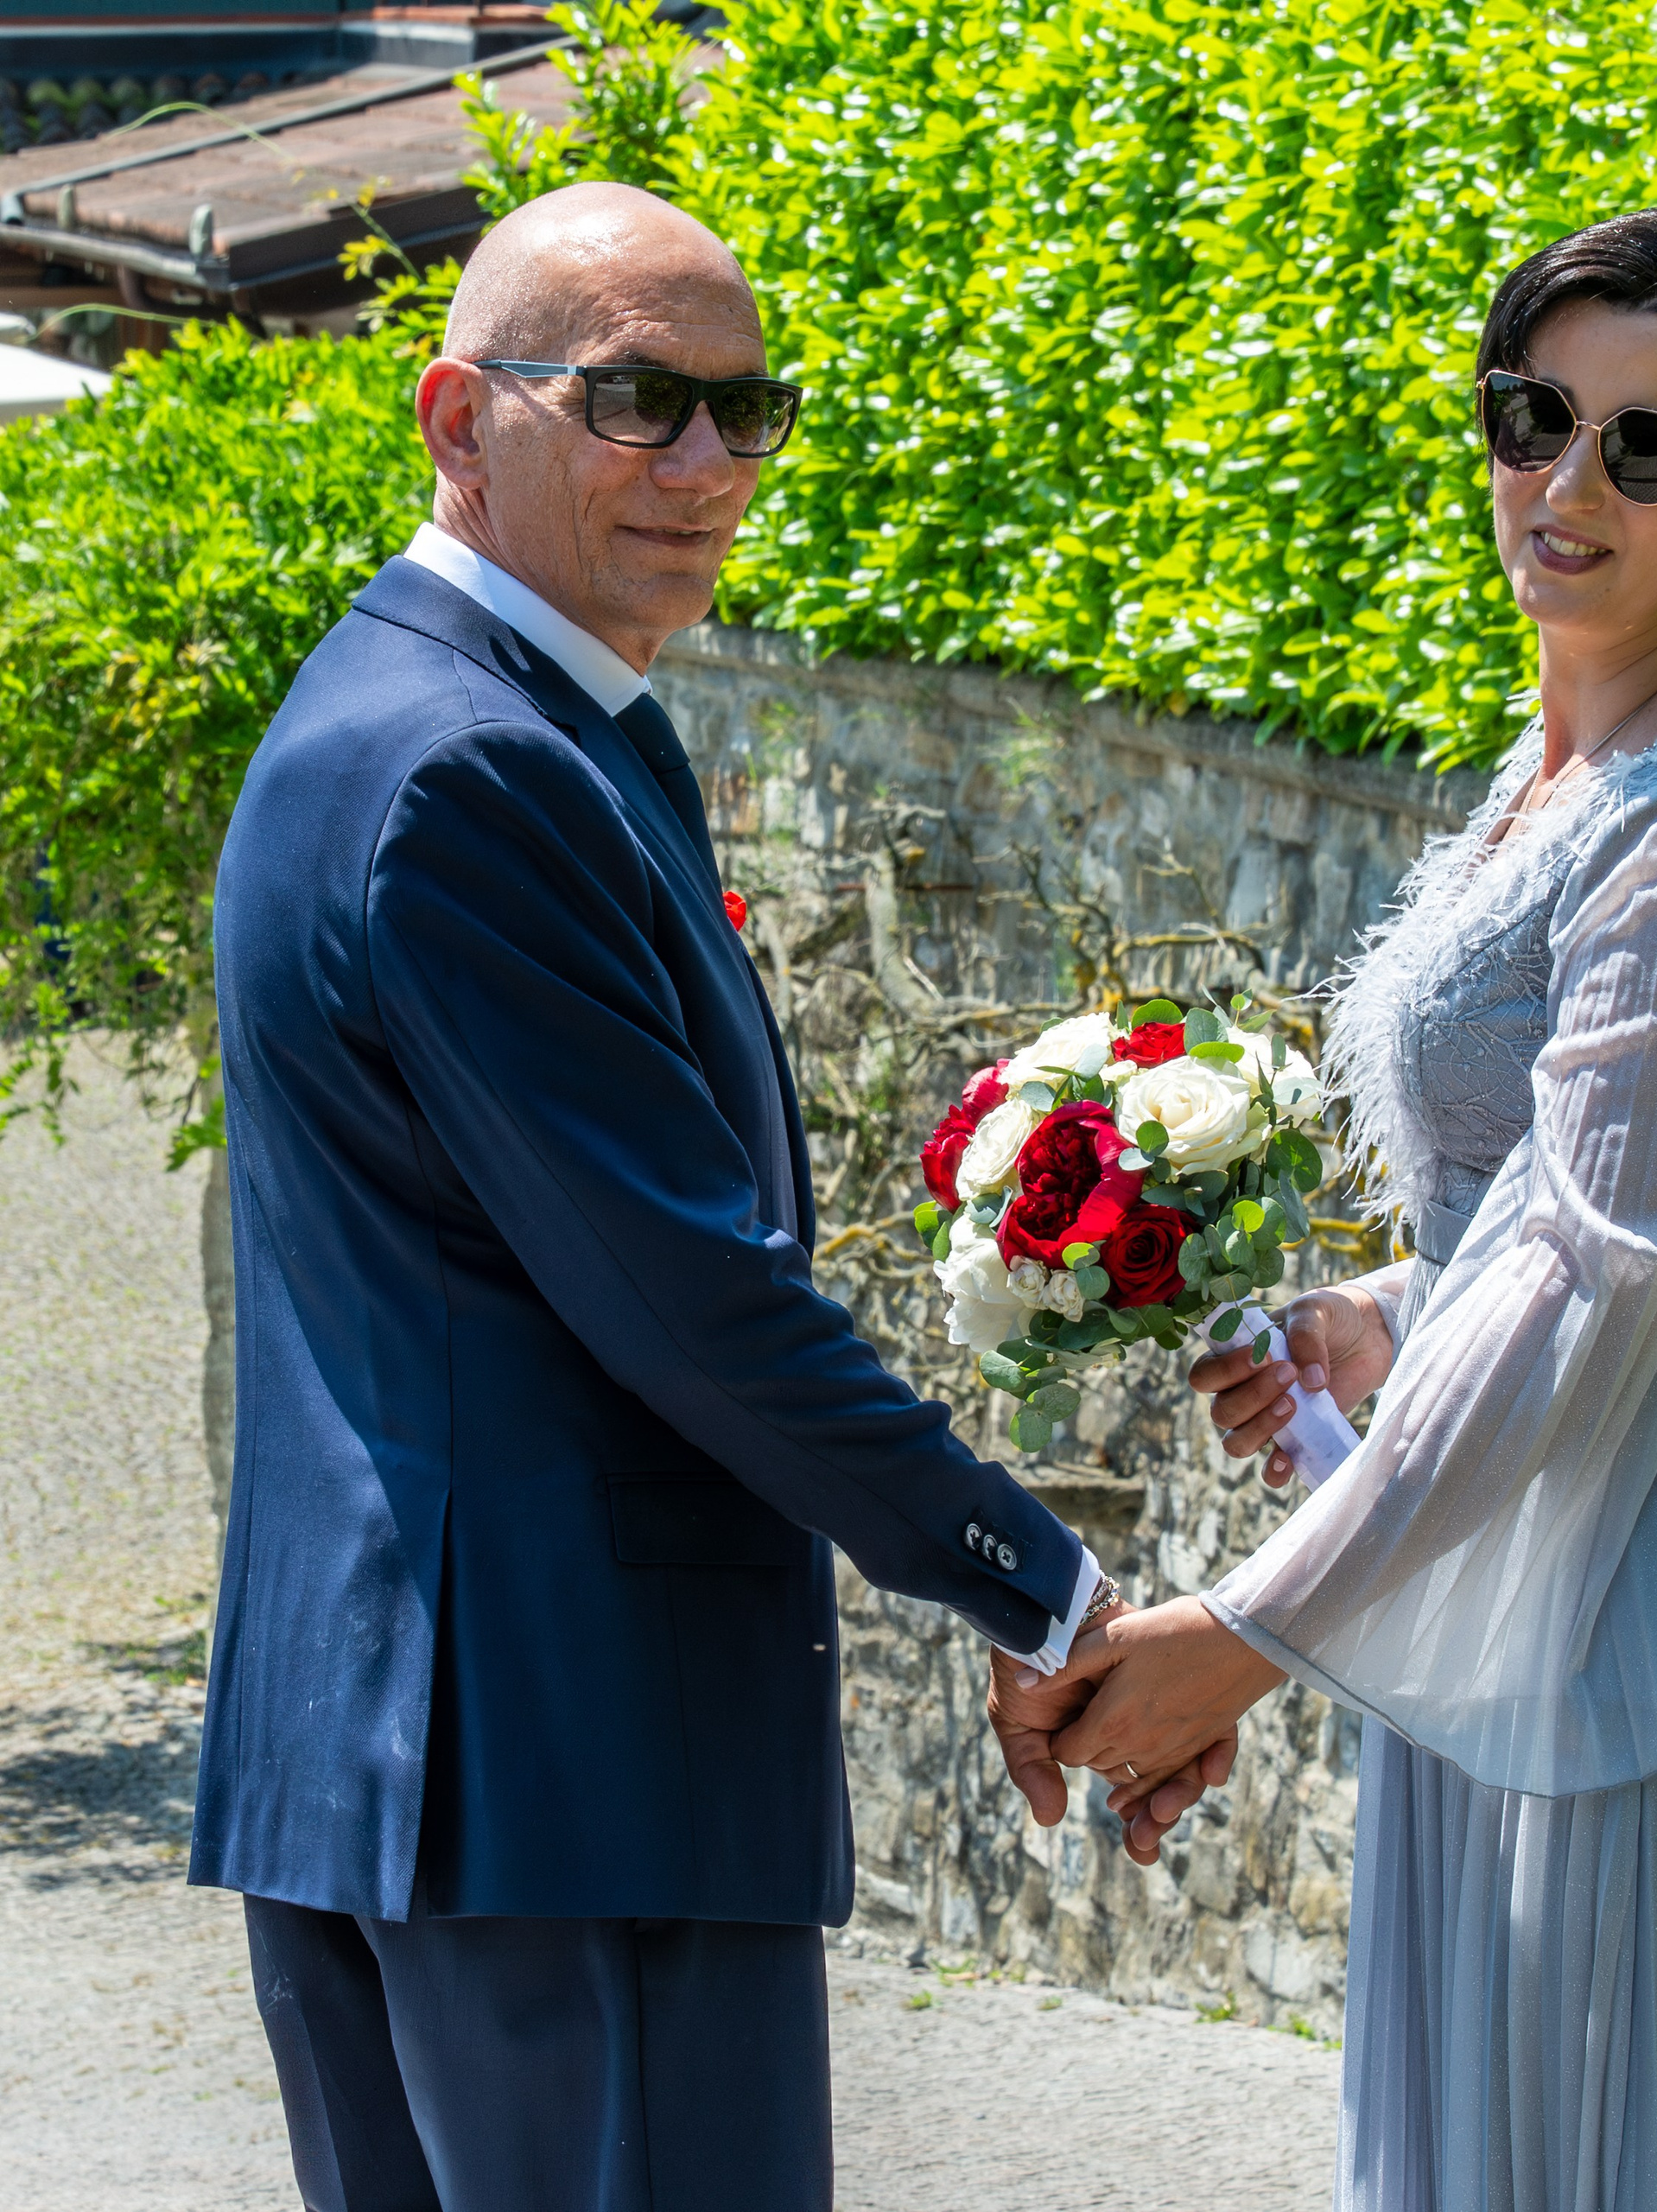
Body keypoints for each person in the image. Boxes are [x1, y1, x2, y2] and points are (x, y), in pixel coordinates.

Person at [1005, 207, 1657, 2209]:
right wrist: (1382, 1309)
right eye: (1529, 415)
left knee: (1645, 2119)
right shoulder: (1555, 767)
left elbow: (1595, 1277)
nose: (1563, 484)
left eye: (1646, 445)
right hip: (1546, 1523)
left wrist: (1253, 1626)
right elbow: (1549, 1212)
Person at [192, 181, 1154, 2211]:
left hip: (449, 1757)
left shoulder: (489, 719)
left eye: (746, 408)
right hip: (548, 1766)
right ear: (459, 416)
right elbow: (685, 1294)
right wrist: (1037, 1578)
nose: (708, 464)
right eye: (636, 402)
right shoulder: (470, 766)